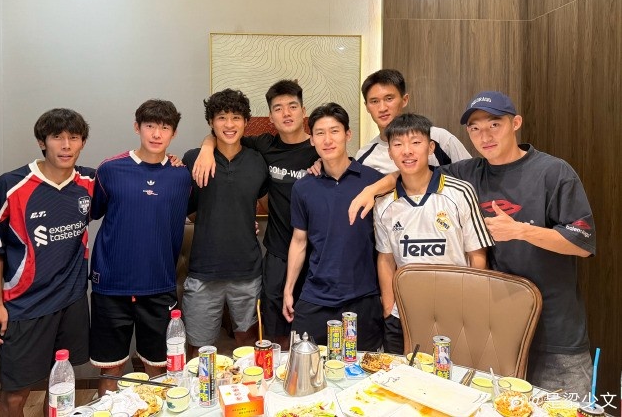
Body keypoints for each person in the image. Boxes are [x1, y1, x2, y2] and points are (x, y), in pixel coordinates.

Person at [349, 91, 595, 397]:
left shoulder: (553, 172)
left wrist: (521, 231)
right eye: (475, 128)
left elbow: (582, 242)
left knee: (564, 409)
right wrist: (371, 189)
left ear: (516, 123)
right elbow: (413, 171)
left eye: (494, 125)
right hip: (497, 324)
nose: (485, 136)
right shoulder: (468, 173)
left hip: (554, 328)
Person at [0, 108, 94, 417]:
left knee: (61, 386)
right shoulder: (11, 185)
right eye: (57, 137)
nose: (66, 145)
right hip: (25, 306)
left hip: (71, 301)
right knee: (15, 396)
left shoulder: (90, 181)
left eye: (74, 137)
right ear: (42, 142)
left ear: (82, 143)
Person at [191, 80, 319, 348]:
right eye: (278, 108)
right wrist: (206, 147)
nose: (229, 124)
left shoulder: (319, 148)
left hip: (314, 254)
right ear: (270, 116)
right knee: (271, 334)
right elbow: (192, 208)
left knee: (311, 333)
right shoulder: (257, 150)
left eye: (292, 106)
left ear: (303, 111)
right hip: (270, 254)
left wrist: (324, 160)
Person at [89, 99, 191, 395]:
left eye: (165, 127)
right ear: (137, 127)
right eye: (150, 126)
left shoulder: (182, 175)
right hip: (112, 284)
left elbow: (202, 212)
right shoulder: (110, 169)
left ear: (173, 133)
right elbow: (91, 212)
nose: (157, 134)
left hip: (158, 284)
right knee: (111, 368)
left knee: (159, 369)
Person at [374, 113, 493, 354]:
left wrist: (471, 307)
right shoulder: (383, 203)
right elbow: (386, 258)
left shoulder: (460, 192)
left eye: (415, 142)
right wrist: (389, 308)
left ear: (430, 148)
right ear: (390, 153)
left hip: (455, 315)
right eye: (398, 144)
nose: (407, 151)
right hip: (403, 316)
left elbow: (477, 255)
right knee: (400, 376)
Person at [283, 103, 384, 350]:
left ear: (348, 134)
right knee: (305, 364)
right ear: (312, 140)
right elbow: (299, 241)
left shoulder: (373, 181)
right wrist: (288, 289)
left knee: (362, 368)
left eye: (334, 131)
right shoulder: (303, 187)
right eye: (320, 133)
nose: (327, 140)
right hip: (315, 296)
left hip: (363, 296)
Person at [182, 89, 269, 357]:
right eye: (221, 117)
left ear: (246, 122)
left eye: (236, 117)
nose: (229, 124)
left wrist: (240, 221)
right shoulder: (193, 159)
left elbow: (265, 205)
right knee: (199, 349)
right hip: (204, 270)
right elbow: (190, 211)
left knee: (250, 343)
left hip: (247, 270)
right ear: (211, 122)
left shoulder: (257, 161)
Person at [356, 69, 471, 173]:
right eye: (374, 101)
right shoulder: (364, 157)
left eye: (389, 99)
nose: (382, 108)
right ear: (367, 107)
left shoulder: (439, 138)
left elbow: (472, 176)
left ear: (404, 100)